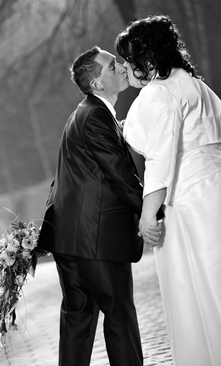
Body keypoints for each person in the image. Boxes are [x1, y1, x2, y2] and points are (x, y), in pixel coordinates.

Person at [37, 46, 162, 366]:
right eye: (112, 66)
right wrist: (154, 212)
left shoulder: (81, 114)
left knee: (78, 321)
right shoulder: (95, 117)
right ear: (96, 84)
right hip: (97, 240)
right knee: (119, 315)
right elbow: (119, 175)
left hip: (68, 239)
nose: (122, 68)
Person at [115, 15, 221, 366]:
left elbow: (161, 159)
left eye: (129, 59)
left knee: (199, 286)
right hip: (214, 185)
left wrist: (147, 216)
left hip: (189, 200)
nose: (126, 67)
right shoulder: (195, 84)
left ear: (147, 58)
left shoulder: (157, 94)